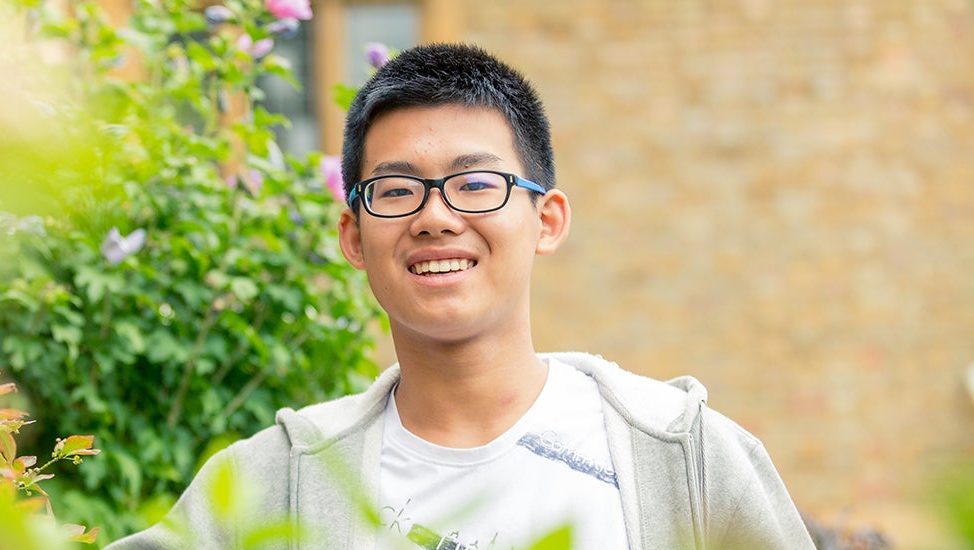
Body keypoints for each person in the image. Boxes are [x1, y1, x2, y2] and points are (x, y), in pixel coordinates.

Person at [108, 43, 813, 549]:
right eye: (396, 189)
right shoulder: (271, 481)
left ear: (547, 220)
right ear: (353, 236)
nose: (436, 216)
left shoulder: (685, 455)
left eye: (476, 183)